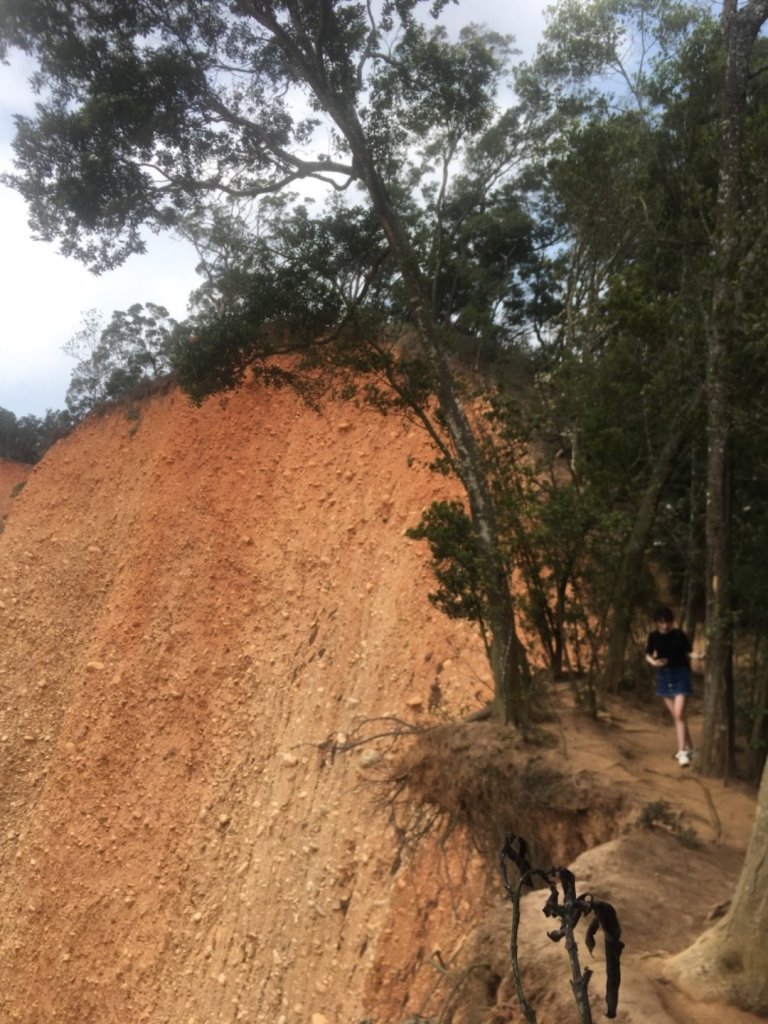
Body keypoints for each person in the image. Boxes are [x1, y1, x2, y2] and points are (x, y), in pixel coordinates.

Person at [645, 606, 704, 767]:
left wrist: (698, 656)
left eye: (667, 622)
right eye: (661, 623)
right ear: (657, 622)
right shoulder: (653, 636)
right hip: (664, 676)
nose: (665, 626)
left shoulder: (679, 635)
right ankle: (691, 748)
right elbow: (648, 654)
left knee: (679, 713)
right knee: (679, 717)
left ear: (671, 622)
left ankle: (682, 752)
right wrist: (654, 663)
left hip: (681, 675)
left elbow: (688, 652)